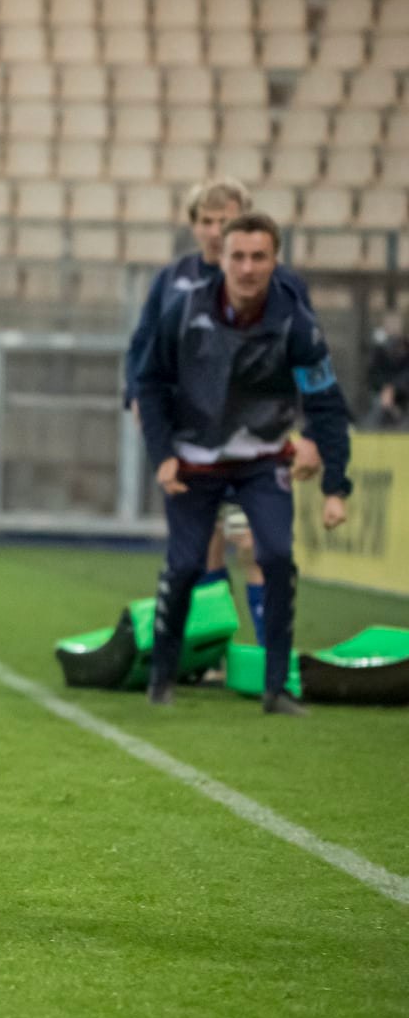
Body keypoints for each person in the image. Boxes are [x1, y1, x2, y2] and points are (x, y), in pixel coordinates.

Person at [135, 212, 353, 716]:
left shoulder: (296, 322)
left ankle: (277, 688)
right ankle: (162, 676)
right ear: (223, 259)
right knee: (186, 565)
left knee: (276, 556)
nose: (248, 268)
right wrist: (162, 454)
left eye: (259, 257)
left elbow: (325, 401)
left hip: (262, 458)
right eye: (238, 256)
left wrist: (335, 485)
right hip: (194, 459)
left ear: (276, 261)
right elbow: (149, 383)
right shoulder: (185, 310)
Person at [122, 178, 318, 641]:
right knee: (204, 541)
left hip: (256, 433)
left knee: (254, 541)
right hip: (193, 432)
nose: (215, 230)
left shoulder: (281, 286)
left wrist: (310, 425)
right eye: (206, 221)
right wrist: (135, 395)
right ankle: (214, 648)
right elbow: (143, 347)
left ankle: (273, 652)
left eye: (224, 220)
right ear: (193, 228)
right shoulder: (172, 281)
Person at [367, 313, 408, 429]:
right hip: (381, 392)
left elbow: (406, 373)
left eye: (395, 325)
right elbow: (374, 373)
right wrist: (385, 388)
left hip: (403, 392)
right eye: (390, 325)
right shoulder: (379, 350)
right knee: (379, 409)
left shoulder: (406, 348)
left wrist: (394, 388)